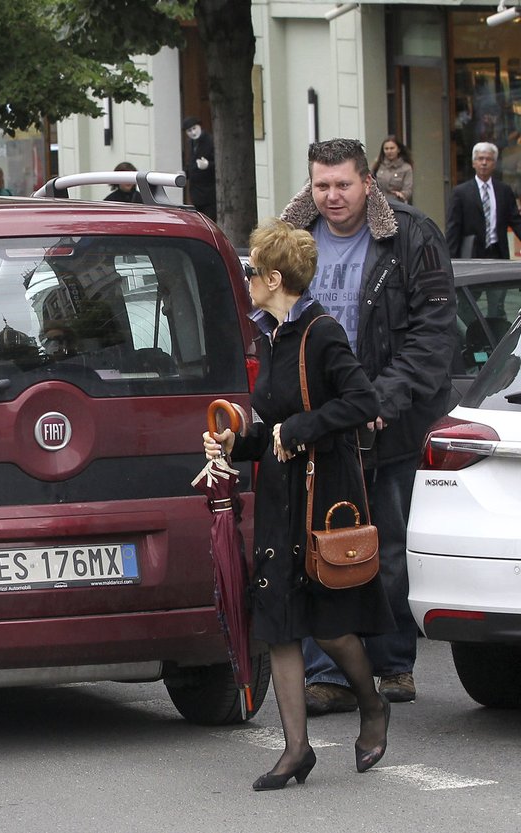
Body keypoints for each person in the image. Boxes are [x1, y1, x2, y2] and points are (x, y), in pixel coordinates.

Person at [204, 218, 392, 790]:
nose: (249, 281)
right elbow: (273, 429)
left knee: (332, 628)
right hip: (281, 495)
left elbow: (362, 401)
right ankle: (296, 749)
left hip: (322, 497)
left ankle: (373, 705)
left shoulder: (321, 332)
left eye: (254, 272)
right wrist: (238, 444)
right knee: (279, 624)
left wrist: (301, 429)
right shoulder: (274, 334)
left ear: (276, 277)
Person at [279, 138, 456, 715]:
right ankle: (327, 673)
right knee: (319, 545)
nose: (332, 197)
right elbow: (268, 320)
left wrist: (382, 398)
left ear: (368, 184)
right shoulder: (289, 238)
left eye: (343, 185)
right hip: (317, 422)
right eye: (321, 185)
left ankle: (392, 662)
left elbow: (433, 333)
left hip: (390, 421)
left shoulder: (412, 234)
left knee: (386, 547)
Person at [445, 141, 521, 261]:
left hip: (498, 252)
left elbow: (516, 221)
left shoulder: (504, 191)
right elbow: (453, 228)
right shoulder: (460, 192)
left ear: (494, 164)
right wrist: (450, 260)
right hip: (472, 253)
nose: (484, 163)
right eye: (480, 159)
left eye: (488, 159)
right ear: (473, 163)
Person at [182, 117, 216, 221]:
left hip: (209, 193)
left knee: (209, 221)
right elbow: (191, 163)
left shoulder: (210, 141)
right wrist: (185, 173)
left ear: (199, 126)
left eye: (194, 128)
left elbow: (220, 163)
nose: (193, 132)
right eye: (189, 131)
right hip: (196, 193)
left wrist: (208, 165)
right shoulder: (191, 143)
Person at [371, 136, 413, 204]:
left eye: (392, 148)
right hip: (379, 204)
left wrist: (402, 195)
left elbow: (408, 189)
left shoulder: (406, 168)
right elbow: (370, 181)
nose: (389, 151)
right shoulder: (378, 165)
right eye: (386, 149)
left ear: (398, 149)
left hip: (397, 204)